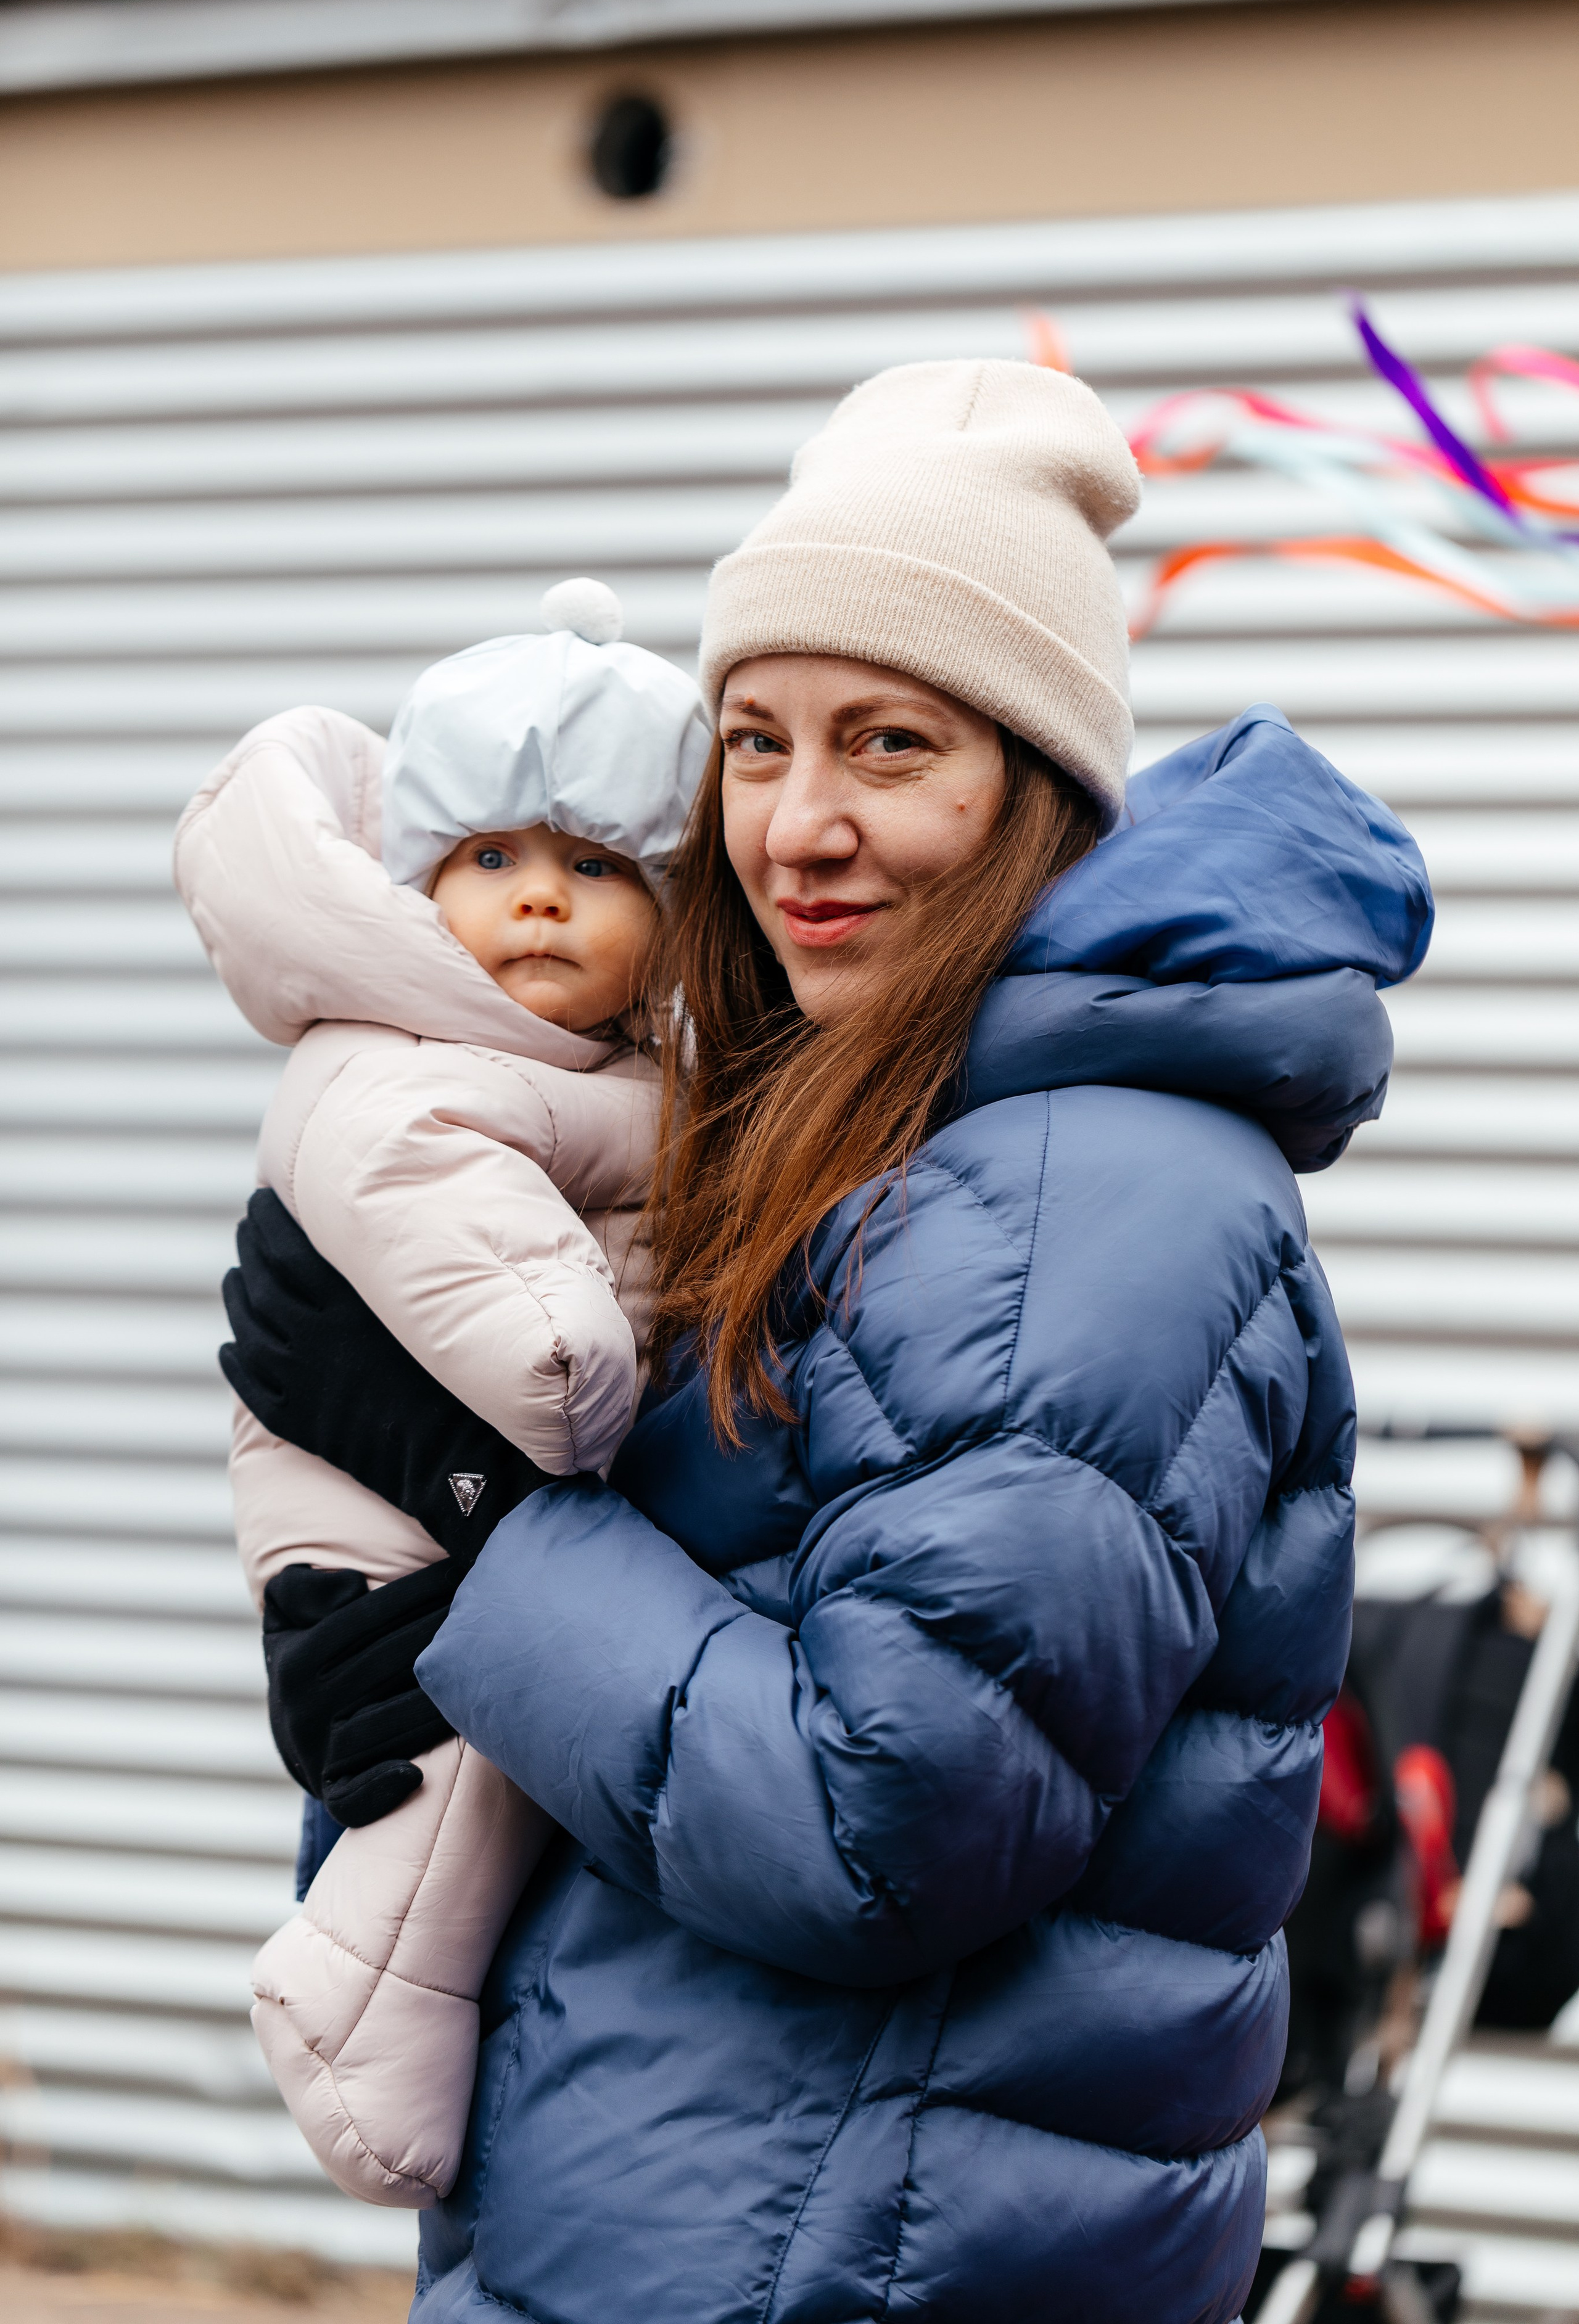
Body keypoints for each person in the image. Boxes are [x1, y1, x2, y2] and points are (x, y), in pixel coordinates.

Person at [222, 359, 1433, 2323]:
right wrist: (398, 1673)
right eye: (758, 743)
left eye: (890, 747)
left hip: (845, 2257)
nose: (800, 826)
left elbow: (885, 1822)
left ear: (1037, 787)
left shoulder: (1084, 1197)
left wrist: (487, 1525)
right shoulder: (863, 1125)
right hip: (735, 2209)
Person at [176, 580, 709, 2207]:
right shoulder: (399, 1053)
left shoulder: (618, 1075)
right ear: (420, 887)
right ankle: (352, 2011)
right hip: (379, 1521)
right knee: (448, 1784)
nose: (540, 903)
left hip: (488, 1510)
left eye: (595, 868)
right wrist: (569, 1360)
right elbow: (476, 1265)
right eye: (492, 861)